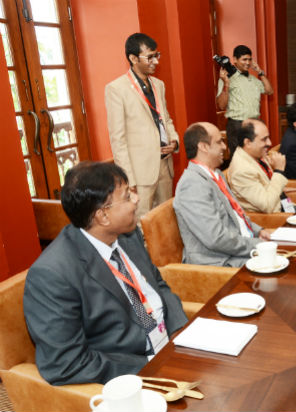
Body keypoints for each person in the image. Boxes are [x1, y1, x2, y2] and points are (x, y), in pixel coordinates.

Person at [23, 162, 187, 385]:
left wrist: (180, 331)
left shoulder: (127, 235)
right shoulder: (52, 275)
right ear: (103, 216)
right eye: (128, 196)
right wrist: (151, 366)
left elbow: (158, 285)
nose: (137, 199)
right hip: (134, 369)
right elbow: (66, 364)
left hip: (173, 344)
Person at [173, 122, 271, 267]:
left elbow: (236, 216)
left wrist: (259, 232)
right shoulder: (192, 185)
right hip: (220, 262)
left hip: (236, 252)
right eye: (219, 142)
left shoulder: (216, 174)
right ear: (203, 147)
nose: (225, 147)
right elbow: (216, 238)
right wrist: (257, 244)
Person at [105, 33, 179, 222]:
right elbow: (118, 139)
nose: (155, 61)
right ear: (133, 58)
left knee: (167, 221)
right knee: (142, 224)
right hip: (140, 172)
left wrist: (174, 141)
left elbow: (166, 119)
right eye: (150, 57)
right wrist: (128, 179)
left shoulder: (158, 85)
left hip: (164, 164)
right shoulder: (116, 89)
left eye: (157, 55)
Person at [216, 45, 274, 156]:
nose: (248, 62)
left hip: (255, 123)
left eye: (249, 59)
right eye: (244, 59)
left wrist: (260, 72)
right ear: (235, 60)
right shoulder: (227, 78)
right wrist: (227, 84)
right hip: (237, 125)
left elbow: (269, 91)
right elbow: (221, 105)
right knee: (239, 158)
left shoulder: (253, 79)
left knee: (257, 157)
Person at [227, 119, 289, 213]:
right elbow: (267, 205)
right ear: (247, 142)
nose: (270, 143)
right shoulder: (242, 171)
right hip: (273, 220)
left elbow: (267, 187)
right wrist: (279, 171)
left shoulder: (255, 154)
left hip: (284, 207)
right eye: (264, 139)